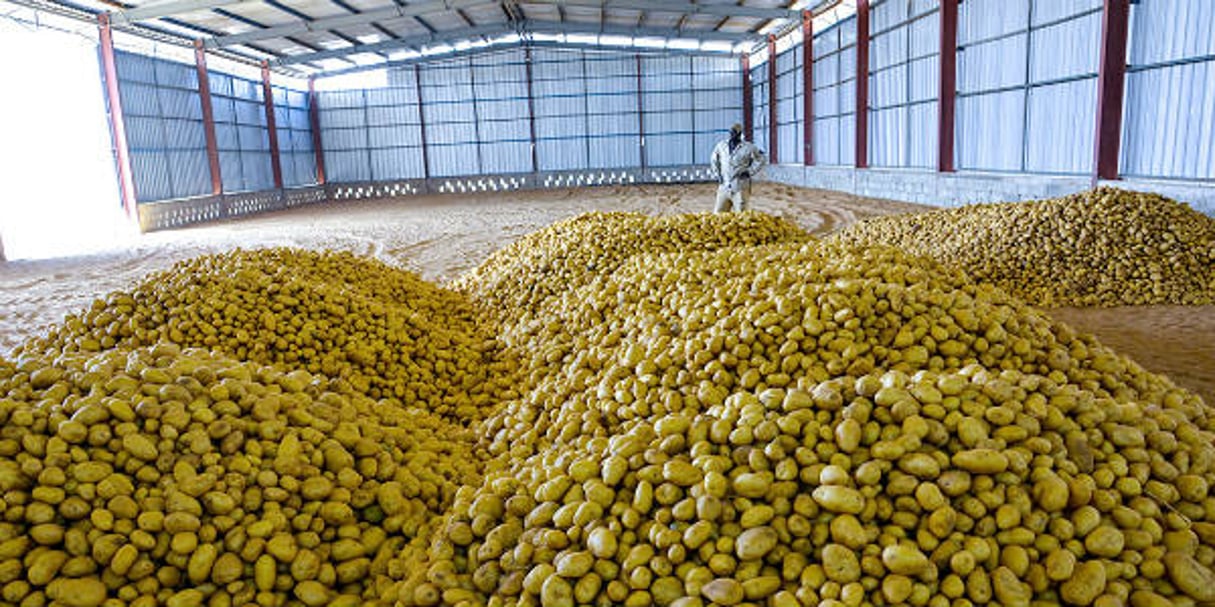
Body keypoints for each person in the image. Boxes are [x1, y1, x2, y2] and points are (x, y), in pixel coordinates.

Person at [709, 123, 767, 213]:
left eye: (735, 133)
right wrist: (717, 174)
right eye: (731, 132)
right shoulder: (721, 146)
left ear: (740, 134)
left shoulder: (748, 147)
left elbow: (761, 159)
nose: (732, 135)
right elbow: (714, 159)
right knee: (718, 214)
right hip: (724, 186)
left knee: (742, 215)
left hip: (740, 187)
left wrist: (749, 171)